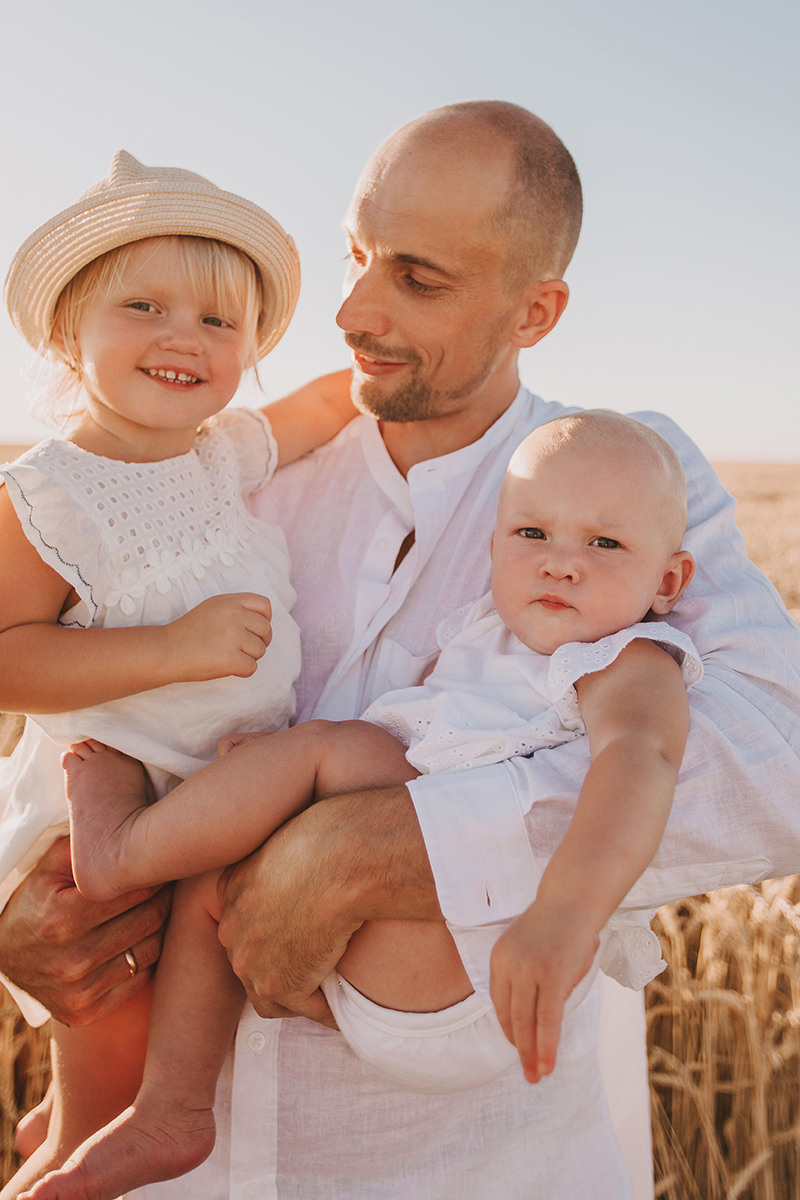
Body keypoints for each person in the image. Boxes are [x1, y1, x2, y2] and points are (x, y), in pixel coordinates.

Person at [2, 101, 799, 1199]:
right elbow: (69, 721)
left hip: (478, 1169)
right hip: (178, 1172)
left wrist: (393, 845)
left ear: (535, 309)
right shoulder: (221, 467)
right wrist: (15, 919)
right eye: (355, 255)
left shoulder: (620, 482)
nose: (353, 311)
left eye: (417, 279)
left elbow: (772, 760)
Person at [15, 410, 699, 1200]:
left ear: (668, 582)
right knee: (222, 871)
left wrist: (566, 913)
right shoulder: (488, 637)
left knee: (326, 749)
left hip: (469, 970)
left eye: (604, 544)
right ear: (494, 546)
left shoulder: (624, 659)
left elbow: (643, 762)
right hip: (392, 984)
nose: (561, 564)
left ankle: (123, 850)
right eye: (531, 535)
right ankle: (172, 1109)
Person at [0, 152, 355, 1198]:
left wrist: (381, 370)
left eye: (218, 321)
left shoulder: (219, 454)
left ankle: (111, 1121)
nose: (183, 337)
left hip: (206, 800)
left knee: (160, 1041)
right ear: (66, 330)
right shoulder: (47, 493)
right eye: (143, 306)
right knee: (103, 1074)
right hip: (103, 819)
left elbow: (321, 409)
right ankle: (64, 1156)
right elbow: (9, 656)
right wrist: (171, 648)